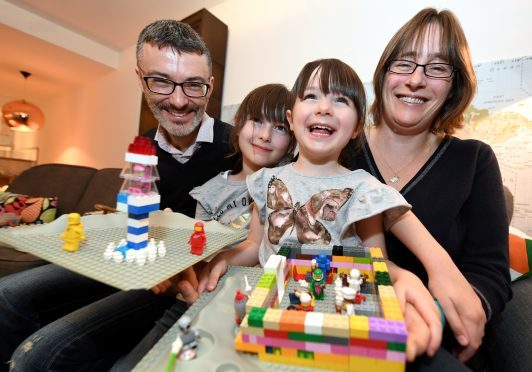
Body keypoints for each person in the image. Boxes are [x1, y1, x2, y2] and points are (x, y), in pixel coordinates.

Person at [197, 58, 477, 362]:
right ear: (291, 118)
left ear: (357, 127)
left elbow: (376, 262)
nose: (324, 108)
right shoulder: (265, 180)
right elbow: (254, 244)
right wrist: (225, 257)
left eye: (340, 100)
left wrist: (402, 277)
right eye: (312, 96)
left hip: (334, 321)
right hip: (270, 312)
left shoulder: (363, 190)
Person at [0, 20, 236, 371]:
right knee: (7, 296)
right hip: (132, 259)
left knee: (40, 356)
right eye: (160, 81)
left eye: (193, 85)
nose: (178, 100)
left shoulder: (239, 144)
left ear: (210, 85)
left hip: (177, 279)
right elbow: (138, 212)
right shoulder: (142, 145)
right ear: (140, 78)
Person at [345, 8, 512, 369]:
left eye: (437, 68)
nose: (416, 80)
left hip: (438, 343)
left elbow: (491, 274)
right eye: (404, 63)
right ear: (385, 72)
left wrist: (430, 313)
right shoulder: (339, 153)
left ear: (454, 85)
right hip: (342, 331)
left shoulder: (474, 160)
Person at [113, 83, 297, 370]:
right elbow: (196, 254)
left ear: (293, 138)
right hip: (195, 299)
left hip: (256, 309)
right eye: (256, 121)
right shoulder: (209, 190)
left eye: (280, 128)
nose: (264, 135)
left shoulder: (289, 186)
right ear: (238, 125)